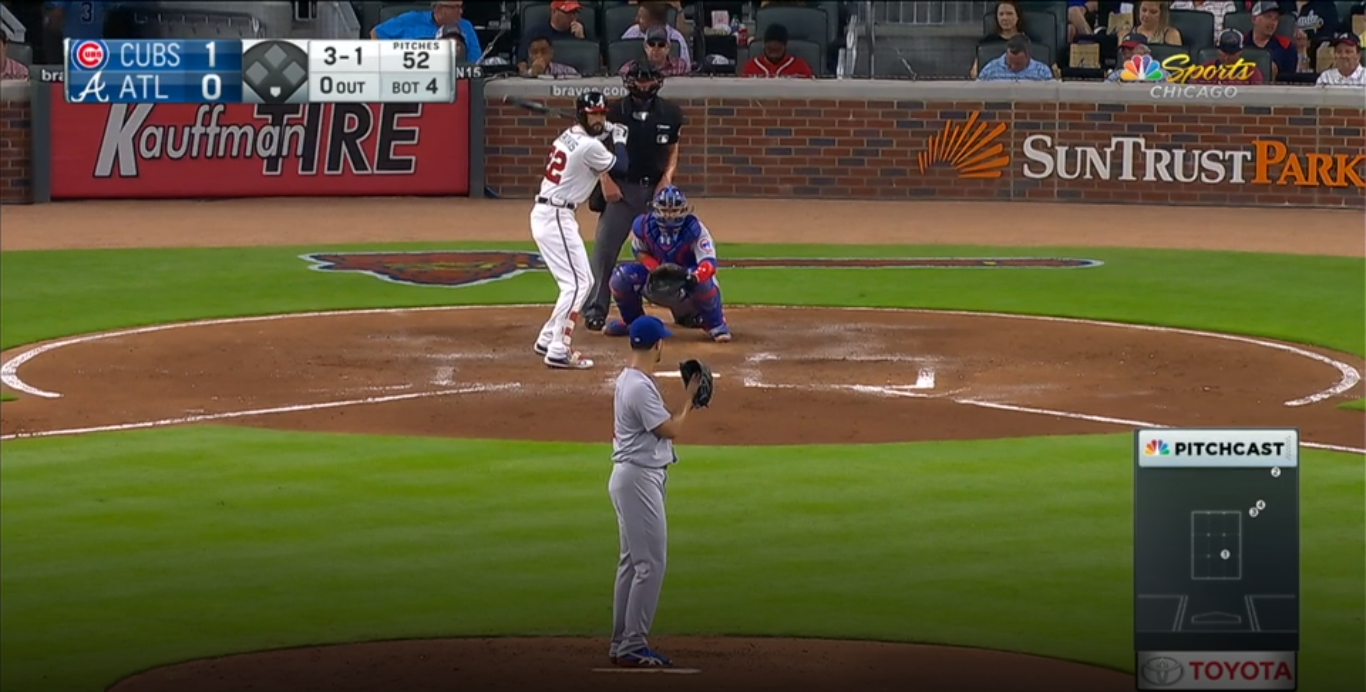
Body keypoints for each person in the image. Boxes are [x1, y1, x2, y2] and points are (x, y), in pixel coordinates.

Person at [606, 314, 703, 668]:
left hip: (634, 477)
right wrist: (689, 398)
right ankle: (632, 644)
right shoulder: (637, 387)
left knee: (632, 562)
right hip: (639, 479)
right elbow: (670, 429)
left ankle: (621, 641)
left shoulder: (632, 380)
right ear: (657, 345)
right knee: (651, 564)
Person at [582, 64, 687, 334]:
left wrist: (667, 178)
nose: (643, 84)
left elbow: (673, 149)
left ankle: (685, 310)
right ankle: (594, 310)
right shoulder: (614, 111)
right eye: (638, 79)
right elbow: (596, 147)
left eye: (648, 79)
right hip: (622, 189)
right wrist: (605, 179)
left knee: (671, 252)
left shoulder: (671, 113)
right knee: (605, 252)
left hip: (655, 192)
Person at [531, 93, 631, 370]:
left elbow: (593, 142)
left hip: (552, 213)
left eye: (602, 114)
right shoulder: (588, 146)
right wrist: (620, 140)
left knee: (581, 281)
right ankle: (559, 349)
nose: (599, 119)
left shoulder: (570, 135)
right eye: (593, 114)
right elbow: (622, 166)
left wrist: (605, 131)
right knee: (577, 285)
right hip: (556, 216)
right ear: (581, 115)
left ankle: (548, 337)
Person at [603, 186, 731, 342]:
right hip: (656, 279)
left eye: (675, 210)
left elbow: (708, 263)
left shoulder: (695, 229)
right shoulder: (644, 226)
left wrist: (693, 277)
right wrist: (655, 268)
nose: (670, 215)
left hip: (685, 282)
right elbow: (639, 251)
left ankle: (716, 324)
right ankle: (633, 323)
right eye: (665, 210)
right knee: (620, 277)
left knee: (704, 282)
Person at [371, 1, 481, 59]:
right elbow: (376, 33)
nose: (460, 11)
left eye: (461, 6)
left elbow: (475, 63)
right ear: (439, 8)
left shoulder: (466, 27)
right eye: (455, 7)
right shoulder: (411, 20)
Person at [621, 1, 691, 67]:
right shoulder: (633, 31)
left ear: (655, 22)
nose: (636, 19)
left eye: (641, 18)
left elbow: (687, 68)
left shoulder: (677, 38)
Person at [971, 1, 1027, 78]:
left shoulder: (1028, 41)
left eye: (1009, 14)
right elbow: (974, 72)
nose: (1005, 18)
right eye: (1001, 14)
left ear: (1018, 16)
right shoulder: (986, 43)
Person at [1189, 29, 1267, 83]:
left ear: (1240, 51)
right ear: (1218, 50)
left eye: (1232, 53)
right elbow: (1193, 93)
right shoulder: (1204, 70)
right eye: (1224, 52)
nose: (1227, 57)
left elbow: (1258, 97)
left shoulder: (1252, 72)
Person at [1245, 1, 1297, 80]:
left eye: (1276, 19)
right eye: (1268, 17)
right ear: (1254, 19)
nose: (1273, 23)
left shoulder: (1287, 46)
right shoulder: (1241, 43)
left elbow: (1290, 80)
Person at [741, 23, 815, 77]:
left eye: (778, 50)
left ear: (785, 46)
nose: (774, 55)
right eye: (770, 49)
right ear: (763, 45)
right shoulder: (750, 66)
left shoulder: (801, 67)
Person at [976, 34, 1055, 80]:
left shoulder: (1042, 72)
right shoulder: (989, 71)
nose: (1013, 67)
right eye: (1009, 63)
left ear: (1028, 56)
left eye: (1018, 64)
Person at [619, 25, 690, 76]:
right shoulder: (631, 68)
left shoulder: (681, 66)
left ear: (668, 48)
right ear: (645, 47)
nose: (656, 49)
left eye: (661, 45)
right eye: (651, 44)